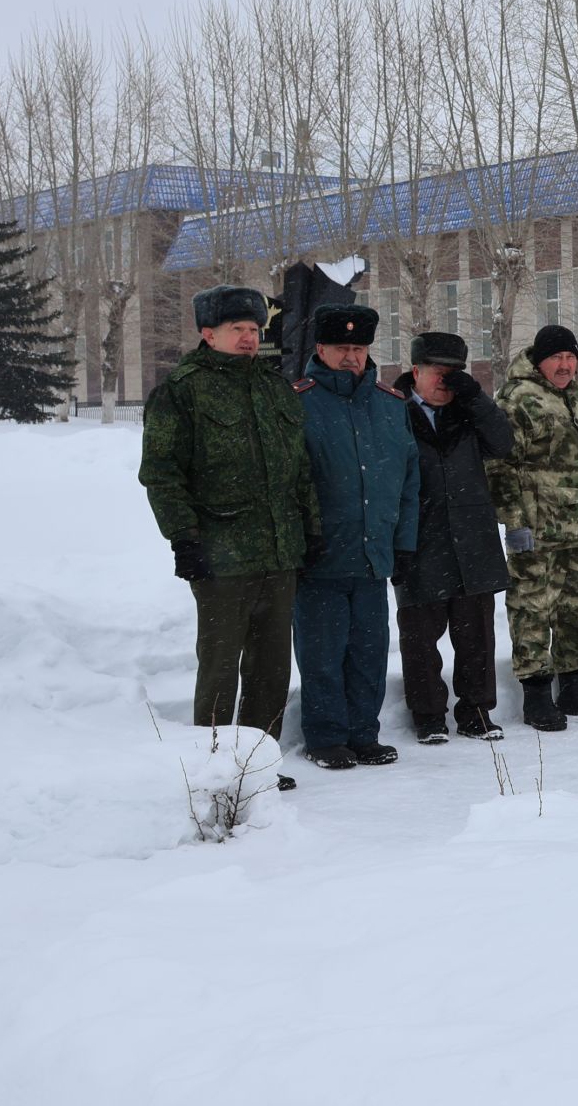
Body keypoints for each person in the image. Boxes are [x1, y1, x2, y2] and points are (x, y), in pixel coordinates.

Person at [139, 284, 318, 786]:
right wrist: (184, 538)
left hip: (279, 551)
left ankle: (259, 765)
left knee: (271, 669)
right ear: (207, 333)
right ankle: (217, 771)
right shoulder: (182, 389)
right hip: (220, 555)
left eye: (253, 329)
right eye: (236, 329)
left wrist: (311, 531)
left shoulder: (273, 385)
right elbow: (161, 471)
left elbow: (299, 468)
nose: (247, 338)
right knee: (219, 669)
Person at [291, 303, 419, 770]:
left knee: (368, 652)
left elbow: (409, 481)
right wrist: (300, 541)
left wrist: (403, 543)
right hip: (321, 555)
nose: (351, 357)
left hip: (373, 555)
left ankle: (365, 733)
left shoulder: (389, 404)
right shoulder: (296, 401)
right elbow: (288, 481)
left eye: (359, 348)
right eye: (342, 348)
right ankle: (325, 738)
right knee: (322, 653)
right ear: (320, 348)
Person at [488, 325, 578, 731]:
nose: (565, 365)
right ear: (540, 359)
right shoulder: (516, 399)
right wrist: (513, 521)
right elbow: (499, 465)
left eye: (570, 357)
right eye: (557, 358)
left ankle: (577, 687)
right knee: (532, 609)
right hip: (538, 531)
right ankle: (536, 696)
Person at [391, 332, 513, 744]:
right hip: (419, 539)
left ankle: (476, 712)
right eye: (437, 371)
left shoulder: (470, 412)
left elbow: (504, 442)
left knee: (476, 634)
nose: (445, 380)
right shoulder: (393, 410)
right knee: (420, 639)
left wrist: (475, 397)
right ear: (416, 372)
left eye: (454, 372)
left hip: (471, 539)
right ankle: (427, 717)